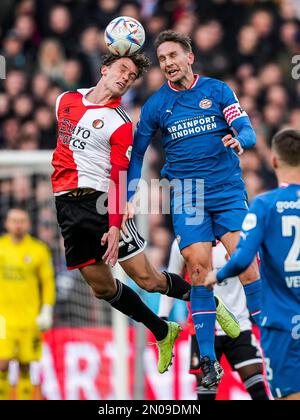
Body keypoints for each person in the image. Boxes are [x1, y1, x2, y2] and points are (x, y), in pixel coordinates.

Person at [125, 30, 261, 387]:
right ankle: (208, 360)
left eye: (173, 55)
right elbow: (138, 153)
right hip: (187, 194)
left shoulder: (217, 90)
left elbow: (248, 130)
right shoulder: (156, 105)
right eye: (163, 59)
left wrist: (239, 139)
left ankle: (272, 336)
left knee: (246, 264)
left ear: (190, 56)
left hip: (227, 190)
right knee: (198, 269)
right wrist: (130, 192)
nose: (168, 63)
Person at [52, 52, 184, 375]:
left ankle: (209, 301)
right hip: (67, 207)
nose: (126, 77)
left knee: (148, 279)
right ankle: (163, 329)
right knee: (102, 289)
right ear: (104, 69)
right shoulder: (65, 100)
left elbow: (118, 176)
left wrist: (114, 224)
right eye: (122, 69)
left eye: (132, 75)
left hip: (101, 203)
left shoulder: (120, 123)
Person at [204, 129, 300, 400]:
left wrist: (217, 275)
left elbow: (243, 259)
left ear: (275, 161)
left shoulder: (265, 205)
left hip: (282, 323)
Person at [159, 240, 269, 400]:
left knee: (258, 389)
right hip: (202, 327)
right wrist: (162, 317)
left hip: (239, 325)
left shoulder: (240, 236)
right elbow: (170, 279)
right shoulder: (182, 241)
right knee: (206, 393)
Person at [0, 208, 55, 400]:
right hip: (3, 319)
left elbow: (48, 283)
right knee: (2, 363)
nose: (17, 224)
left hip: (30, 319)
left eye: (22, 221)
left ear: (28, 224)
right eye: (14, 220)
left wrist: (46, 309)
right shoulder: (1, 248)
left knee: (26, 365)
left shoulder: (38, 250)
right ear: (7, 223)